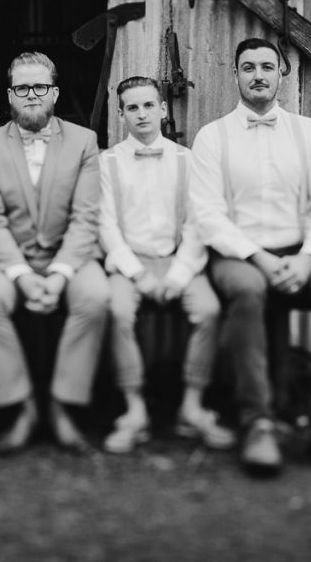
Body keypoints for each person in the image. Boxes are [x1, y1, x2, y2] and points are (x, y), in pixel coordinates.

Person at [189, 38, 311, 477]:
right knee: (247, 292)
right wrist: (261, 260)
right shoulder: (213, 137)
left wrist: (308, 259)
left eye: (267, 66)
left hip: (301, 252)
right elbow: (207, 214)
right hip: (240, 255)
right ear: (235, 75)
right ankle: (258, 422)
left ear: (281, 75)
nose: (258, 75)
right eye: (248, 67)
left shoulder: (309, 132)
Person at [0, 51, 109, 455]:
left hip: (69, 257)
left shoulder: (84, 141)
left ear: (55, 93)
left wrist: (61, 273)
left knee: (96, 297)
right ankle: (22, 407)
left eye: (40, 87)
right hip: (10, 261)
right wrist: (23, 276)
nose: (32, 95)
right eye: (22, 88)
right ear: (10, 95)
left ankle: (62, 405)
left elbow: (86, 218)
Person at [98, 76, 234, 454]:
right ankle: (134, 409)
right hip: (129, 262)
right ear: (121, 113)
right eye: (132, 108)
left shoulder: (186, 160)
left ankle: (192, 405)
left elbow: (197, 223)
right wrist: (138, 275)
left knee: (208, 310)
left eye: (148, 106)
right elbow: (105, 226)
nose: (141, 114)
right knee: (117, 310)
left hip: (179, 259)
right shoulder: (106, 163)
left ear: (162, 109)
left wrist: (176, 276)